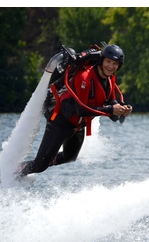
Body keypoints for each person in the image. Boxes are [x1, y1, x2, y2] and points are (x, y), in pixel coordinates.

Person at [18, 44, 132, 176]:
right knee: (39, 166)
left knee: (69, 157)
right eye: (108, 62)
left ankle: (42, 162)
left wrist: (122, 109)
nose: (111, 66)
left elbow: (111, 104)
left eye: (115, 64)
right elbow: (81, 110)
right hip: (60, 121)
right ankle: (11, 174)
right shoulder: (84, 77)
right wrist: (111, 109)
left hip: (77, 125)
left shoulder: (110, 78)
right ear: (101, 60)